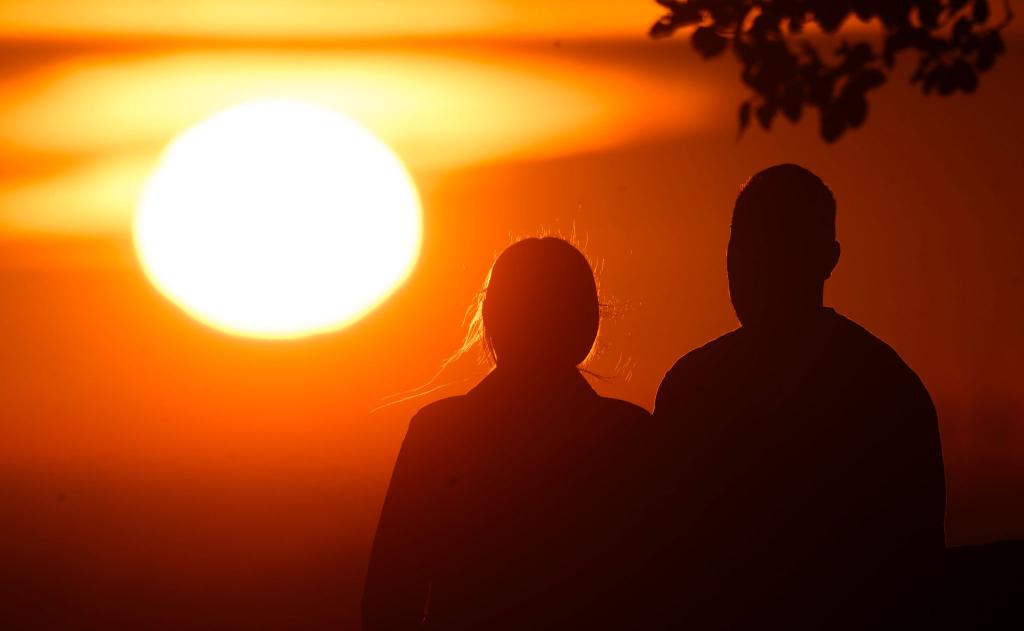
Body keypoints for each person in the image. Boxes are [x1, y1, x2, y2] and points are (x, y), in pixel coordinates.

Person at [654, 164, 946, 629]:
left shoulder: (693, 388)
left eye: (774, 245)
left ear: (827, 259)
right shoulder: (890, 387)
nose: (751, 263)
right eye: (743, 244)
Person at [363, 237, 661, 631]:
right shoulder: (629, 434)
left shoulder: (438, 432)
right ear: (589, 322)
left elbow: (388, 595)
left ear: (491, 318)